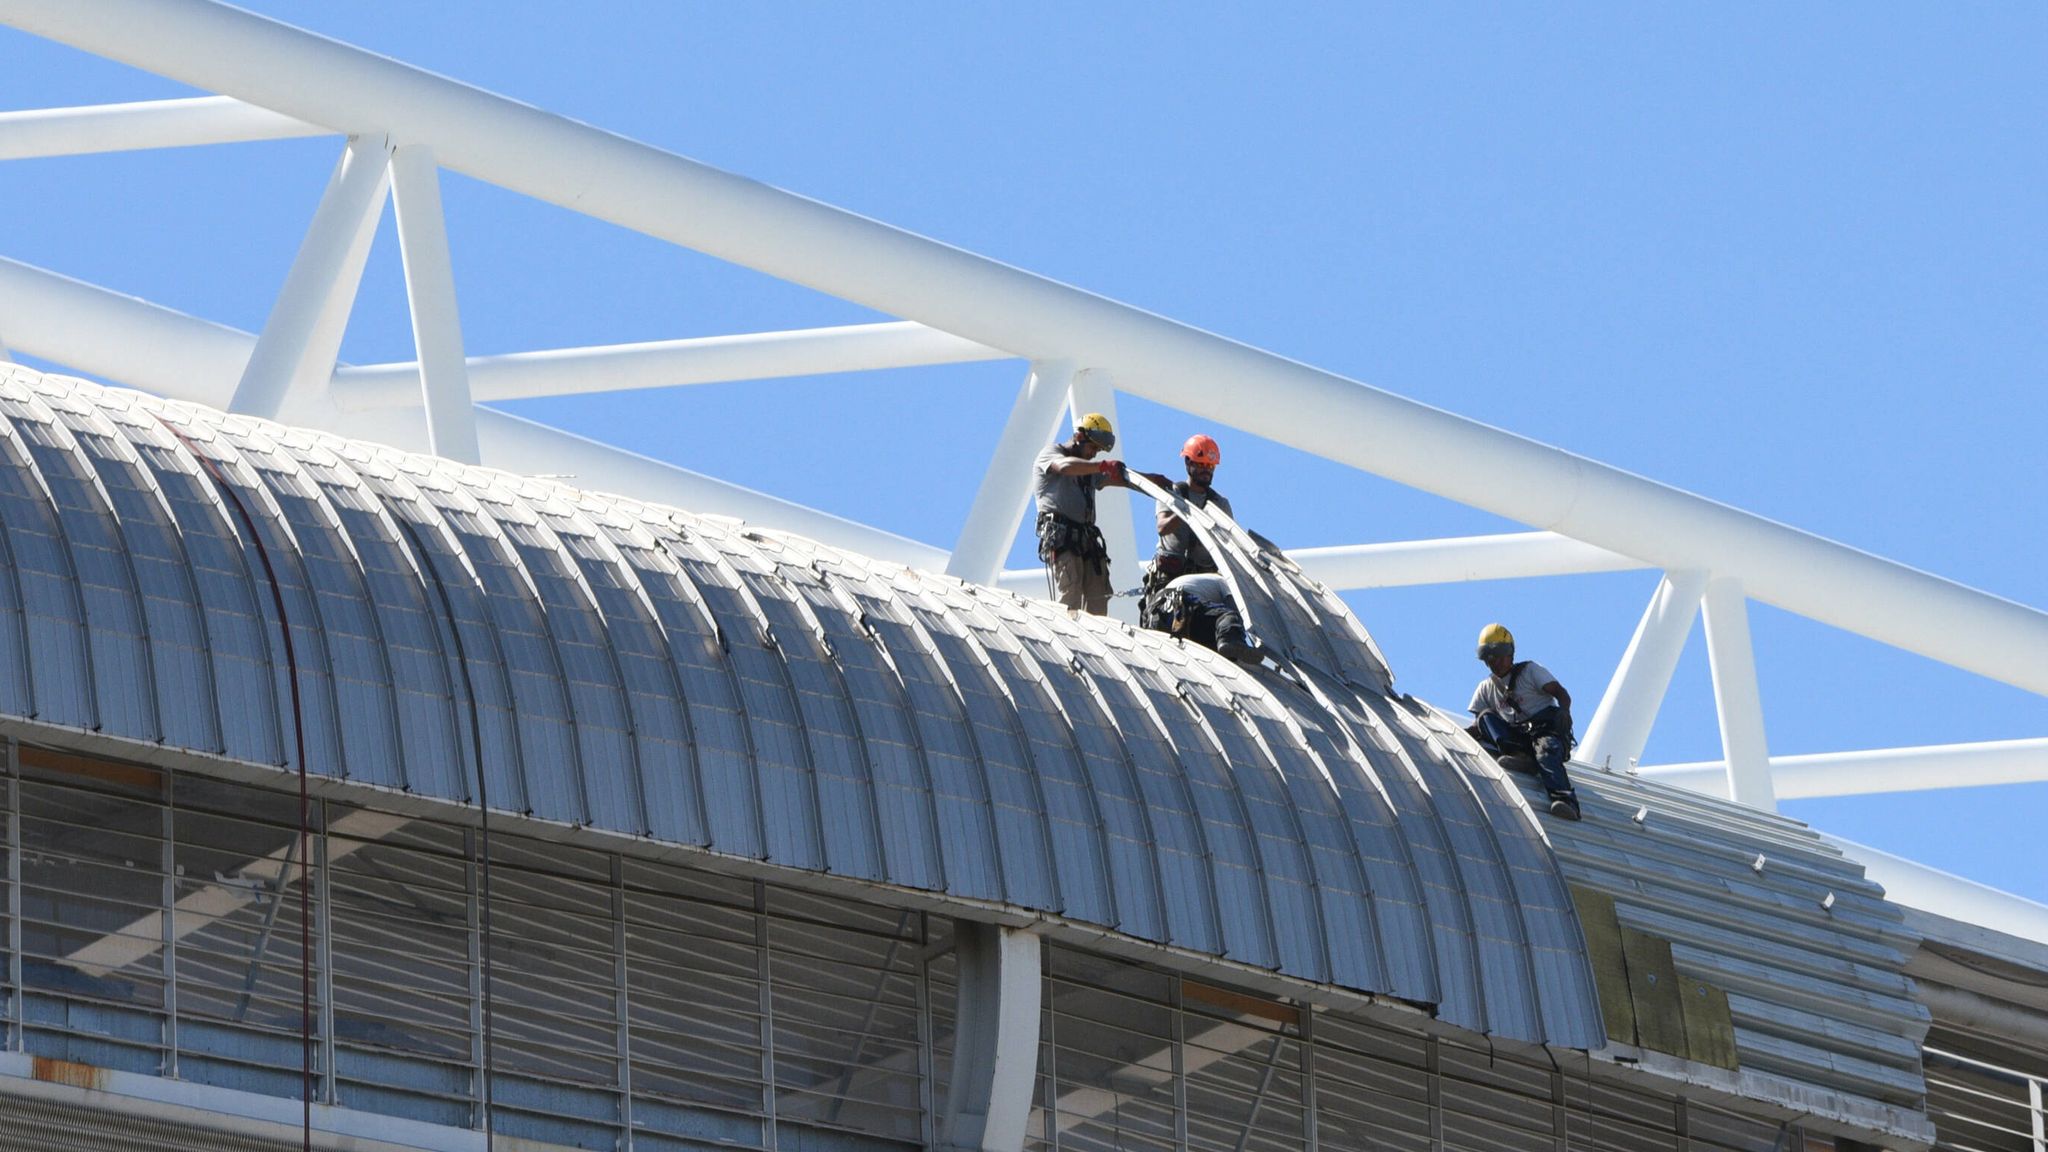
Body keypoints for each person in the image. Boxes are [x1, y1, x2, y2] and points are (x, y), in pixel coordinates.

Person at [1033, 413, 1167, 615]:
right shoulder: (1052, 453)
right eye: (1093, 447)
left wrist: (1155, 482)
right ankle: (1068, 636)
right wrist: (1100, 467)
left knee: (1099, 596)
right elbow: (1063, 467)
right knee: (1071, 593)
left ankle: (1094, 639)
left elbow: (1123, 479)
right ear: (1079, 437)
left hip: (1086, 540)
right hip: (1062, 537)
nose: (1095, 454)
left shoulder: (1088, 469)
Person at [1467, 623, 1582, 820]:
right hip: (1517, 738)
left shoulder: (1530, 671)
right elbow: (1480, 724)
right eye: (1490, 658)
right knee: (1485, 717)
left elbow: (1560, 693)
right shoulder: (1486, 688)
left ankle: (1565, 801)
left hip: (1544, 732)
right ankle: (1519, 756)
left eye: (1498, 656)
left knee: (1547, 753)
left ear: (1510, 654)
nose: (1495, 662)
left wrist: (1564, 711)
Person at [1141, 434, 1234, 628]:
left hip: (1203, 580)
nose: (1206, 471)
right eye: (1201, 465)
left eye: (1210, 466)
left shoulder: (1219, 504)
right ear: (1188, 462)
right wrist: (1187, 511)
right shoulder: (1172, 493)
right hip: (1170, 577)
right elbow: (1163, 527)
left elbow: (1229, 544)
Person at [1156, 572, 1262, 664]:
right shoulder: (1225, 581)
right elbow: (1234, 609)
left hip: (1161, 616)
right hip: (1182, 605)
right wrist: (1242, 642)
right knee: (1229, 616)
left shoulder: (1206, 581)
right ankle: (1230, 640)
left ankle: (1228, 648)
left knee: (1214, 643)